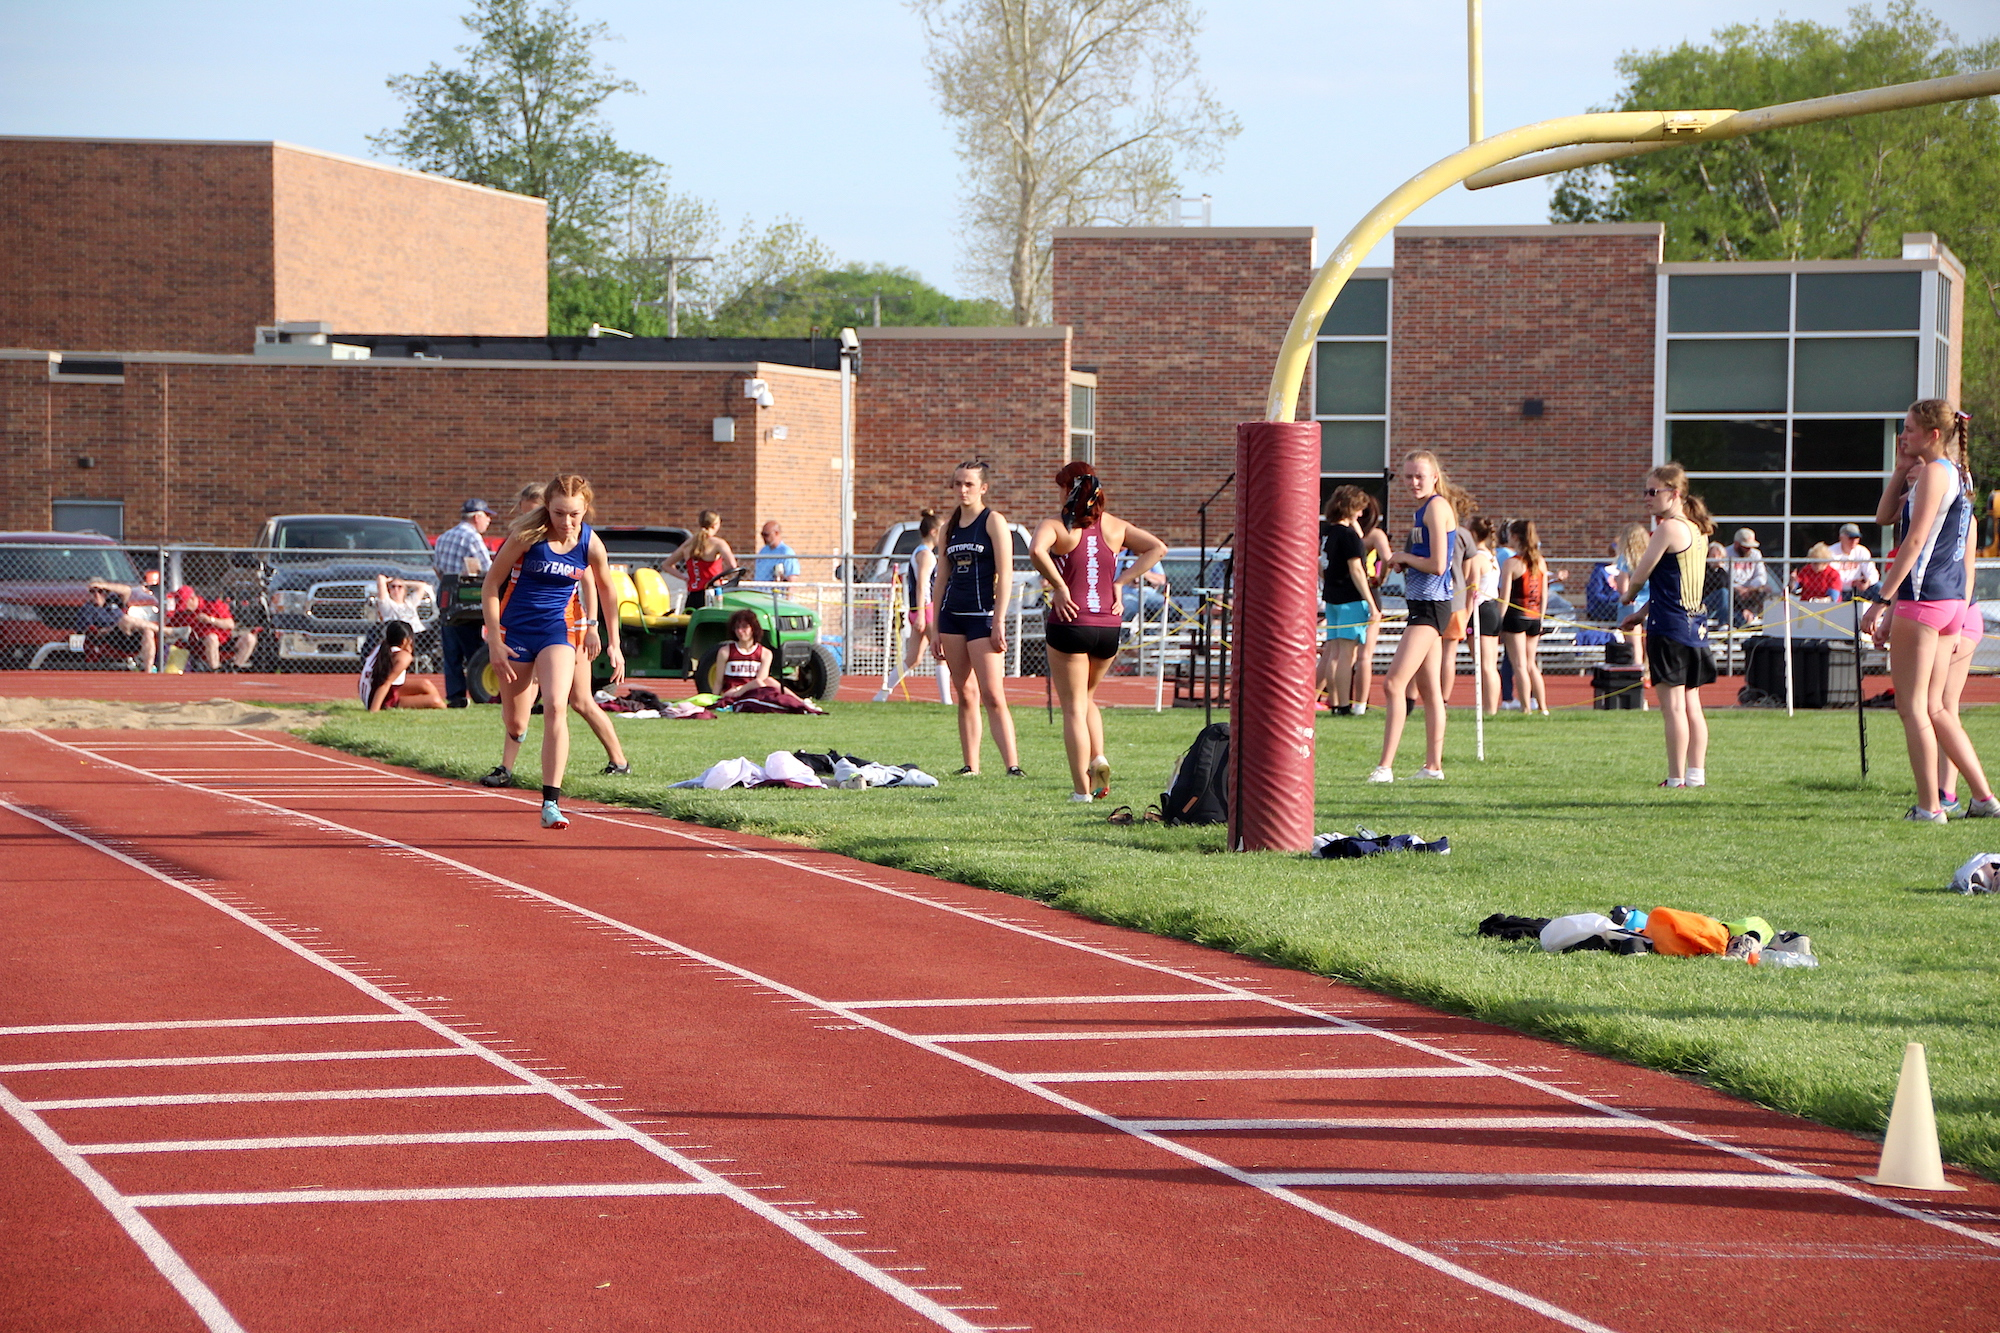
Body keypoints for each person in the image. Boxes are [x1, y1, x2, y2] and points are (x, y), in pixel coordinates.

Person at [1862, 399, 1996, 823]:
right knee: (1937, 708)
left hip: (1925, 600)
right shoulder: (1954, 473)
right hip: (1950, 602)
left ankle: (1930, 806)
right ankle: (1984, 799)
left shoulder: (1936, 473)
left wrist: (1882, 599)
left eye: (1909, 429)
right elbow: (1886, 517)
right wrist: (1903, 467)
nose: (1902, 435)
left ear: (1934, 434)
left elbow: (1915, 541)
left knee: (1913, 707)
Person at [482, 474, 627, 830]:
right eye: (559, 513)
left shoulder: (590, 542)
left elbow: (607, 590)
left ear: (585, 509)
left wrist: (613, 641)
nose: (567, 522)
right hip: (516, 632)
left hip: (557, 632)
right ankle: (515, 741)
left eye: (574, 514)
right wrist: (495, 641)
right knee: (516, 722)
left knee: (557, 706)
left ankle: (551, 803)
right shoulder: (526, 536)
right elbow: (491, 585)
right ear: (548, 507)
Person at [1030, 462, 1166, 801]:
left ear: (1068, 490)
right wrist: (1121, 581)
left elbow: (1035, 550)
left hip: (1071, 622)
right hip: (1108, 626)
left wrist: (1060, 586)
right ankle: (1098, 757)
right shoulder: (1115, 526)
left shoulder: (1056, 525)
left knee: (1073, 707)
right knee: (1087, 697)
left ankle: (1082, 791)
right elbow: (1158, 548)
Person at [1622, 464, 1718, 788]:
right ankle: (1696, 776)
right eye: (1645, 491)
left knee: (1673, 708)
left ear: (1674, 494)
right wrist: (1640, 614)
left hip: (1669, 629)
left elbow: (1642, 573)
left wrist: (1629, 596)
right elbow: (1673, 586)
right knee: (1692, 705)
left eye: (1653, 492)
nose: (1647, 498)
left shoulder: (1667, 529)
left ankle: (1676, 778)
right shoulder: (1698, 530)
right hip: (1695, 627)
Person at [932, 460, 1024, 777]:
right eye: (958, 483)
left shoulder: (993, 521)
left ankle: (1012, 765)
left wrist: (999, 620)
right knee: (966, 693)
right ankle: (971, 765)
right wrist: (935, 627)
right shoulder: (949, 527)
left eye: (969, 484)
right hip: (952, 618)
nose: (962, 489)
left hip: (982, 616)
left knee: (993, 695)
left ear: (983, 488)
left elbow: (1006, 573)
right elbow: (941, 578)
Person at [1370, 451, 1458, 782]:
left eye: (1420, 476)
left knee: (1394, 684)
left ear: (1435, 476)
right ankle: (1433, 767)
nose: (1413, 482)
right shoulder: (1423, 510)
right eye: (1408, 476)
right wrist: (1403, 561)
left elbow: (1438, 564)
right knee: (1430, 690)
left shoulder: (1436, 507)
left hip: (1431, 606)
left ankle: (1385, 767)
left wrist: (1405, 556)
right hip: (1422, 604)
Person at [874, 509, 949, 703]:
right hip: (926, 609)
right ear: (933, 532)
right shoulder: (925, 555)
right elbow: (922, 584)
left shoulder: (921, 552)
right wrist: (922, 614)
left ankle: (882, 694)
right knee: (941, 654)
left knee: (913, 658)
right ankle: (946, 701)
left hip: (920, 610)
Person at [1318, 486, 1380, 716]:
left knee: (1334, 652)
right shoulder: (1348, 536)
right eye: (1359, 509)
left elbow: (1321, 565)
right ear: (1351, 508)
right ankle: (1344, 704)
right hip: (1350, 599)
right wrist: (1371, 603)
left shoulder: (1328, 533)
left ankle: (1335, 701)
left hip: (1332, 597)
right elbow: (1356, 569)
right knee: (1347, 654)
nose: (1361, 514)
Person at [434, 498, 494, 707]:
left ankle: (455, 696)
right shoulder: (472, 538)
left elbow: (437, 569)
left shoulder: (444, 537)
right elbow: (488, 569)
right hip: (467, 598)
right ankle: (484, 690)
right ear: (477, 517)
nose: (489, 521)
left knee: (451, 649)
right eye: (487, 516)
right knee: (474, 649)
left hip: (446, 596)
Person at [714, 608, 827, 713]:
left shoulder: (765, 653)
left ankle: (800, 702)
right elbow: (718, 681)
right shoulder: (725, 651)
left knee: (769, 680)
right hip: (734, 692)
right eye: (737, 627)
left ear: (753, 629)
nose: (740, 631)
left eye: (744, 627)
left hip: (755, 691)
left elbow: (762, 679)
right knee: (760, 683)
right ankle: (793, 703)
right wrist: (714, 700)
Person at [1348, 493, 1395, 715]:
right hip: (1369, 588)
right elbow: (1387, 558)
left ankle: (1333, 699)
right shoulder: (1375, 534)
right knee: (1365, 655)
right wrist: (1381, 577)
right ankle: (1360, 704)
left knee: (1340, 652)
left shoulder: (1345, 532)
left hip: (1348, 590)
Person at [1500, 519, 1551, 716]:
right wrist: (1540, 619)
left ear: (1515, 537)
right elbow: (1544, 595)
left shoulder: (1511, 563)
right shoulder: (1540, 562)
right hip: (1534, 616)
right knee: (1531, 664)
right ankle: (1543, 707)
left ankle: (1526, 708)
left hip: (1515, 617)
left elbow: (1504, 597)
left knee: (1519, 665)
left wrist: (1499, 620)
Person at [167, 583, 257, 672]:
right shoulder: (183, 615)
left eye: (185, 605)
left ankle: (234, 668)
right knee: (212, 638)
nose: (185, 609)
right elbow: (170, 628)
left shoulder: (212, 604)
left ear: (192, 599)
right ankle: (216, 671)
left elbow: (230, 624)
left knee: (250, 638)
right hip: (202, 646)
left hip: (225, 642)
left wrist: (210, 620)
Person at [359, 620, 445, 711]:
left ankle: (444, 708)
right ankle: (443, 707)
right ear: (405, 641)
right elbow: (385, 683)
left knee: (425, 684)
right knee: (435, 701)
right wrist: (374, 710)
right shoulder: (403, 657)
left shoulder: (381, 647)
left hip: (373, 691)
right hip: (380, 697)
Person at [1465, 516, 1502, 716]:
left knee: (1485, 665)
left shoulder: (1477, 558)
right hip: (1492, 609)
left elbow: (1472, 589)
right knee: (1489, 665)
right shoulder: (1490, 556)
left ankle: (1490, 708)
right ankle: (1489, 707)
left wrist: (1465, 616)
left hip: (1481, 611)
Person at [81, 578, 158, 668]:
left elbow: (127, 590)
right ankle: (165, 631)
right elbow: (91, 631)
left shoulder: (113, 601)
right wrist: (112, 628)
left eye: (100, 591)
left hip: (127, 634)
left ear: (106, 592)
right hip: (109, 636)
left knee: (148, 631)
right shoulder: (88, 608)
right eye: (92, 592)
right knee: (125, 619)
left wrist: (104, 585)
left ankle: (148, 671)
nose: (97, 594)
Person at [670, 511, 737, 609]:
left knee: (691, 617)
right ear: (715, 525)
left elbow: (666, 565)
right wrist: (718, 576)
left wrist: (685, 578)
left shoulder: (688, 544)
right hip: (712, 593)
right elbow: (732, 565)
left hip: (693, 595)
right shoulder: (718, 543)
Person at [1727, 527, 1774, 624]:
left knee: (1765, 590)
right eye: (1746, 546)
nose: (1749, 549)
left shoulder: (1756, 554)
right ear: (1736, 544)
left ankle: (1754, 615)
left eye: (1751, 546)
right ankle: (1740, 616)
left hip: (1751, 590)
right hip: (1733, 590)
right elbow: (1724, 577)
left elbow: (1761, 576)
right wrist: (1737, 587)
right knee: (1729, 592)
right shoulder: (1726, 553)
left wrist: (1750, 588)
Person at [1829, 521, 1879, 599]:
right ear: (1841, 538)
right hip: (1839, 589)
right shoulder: (1831, 552)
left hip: (1858, 589)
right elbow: (1831, 578)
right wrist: (1851, 583)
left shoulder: (1862, 551)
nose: (1854, 541)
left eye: (1857, 538)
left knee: (1879, 587)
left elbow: (1873, 573)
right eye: (1851, 538)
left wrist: (1867, 582)